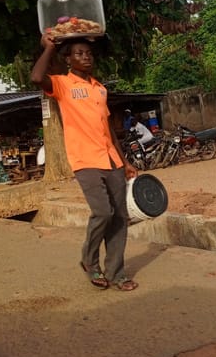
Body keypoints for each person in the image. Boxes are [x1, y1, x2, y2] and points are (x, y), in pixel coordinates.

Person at [31, 35, 139, 291]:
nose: (86, 57)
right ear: (67, 59)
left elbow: (109, 129)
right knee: (103, 212)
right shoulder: (62, 85)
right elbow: (36, 77)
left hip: (111, 159)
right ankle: (89, 261)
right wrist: (49, 48)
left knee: (120, 217)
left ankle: (116, 273)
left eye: (88, 53)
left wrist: (125, 162)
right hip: (84, 160)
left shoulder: (100, 88)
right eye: (79, 53)